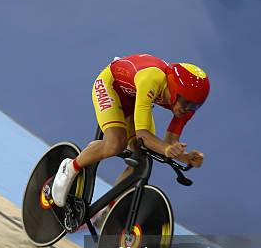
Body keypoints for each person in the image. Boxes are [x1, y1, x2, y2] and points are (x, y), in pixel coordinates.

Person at [52, 54, 210, 220]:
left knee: (140, 161)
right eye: (186, 102)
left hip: (135, 99)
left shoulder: (187, 108)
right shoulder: (151, 78)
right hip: (111, 85)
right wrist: (167, 148)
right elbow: (143, 135)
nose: (187, 109)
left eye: (195, 105)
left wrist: (185, 157)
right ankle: (69, 168)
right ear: (174, 89)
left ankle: (107, 212)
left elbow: (169, 143)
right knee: (116, 143)